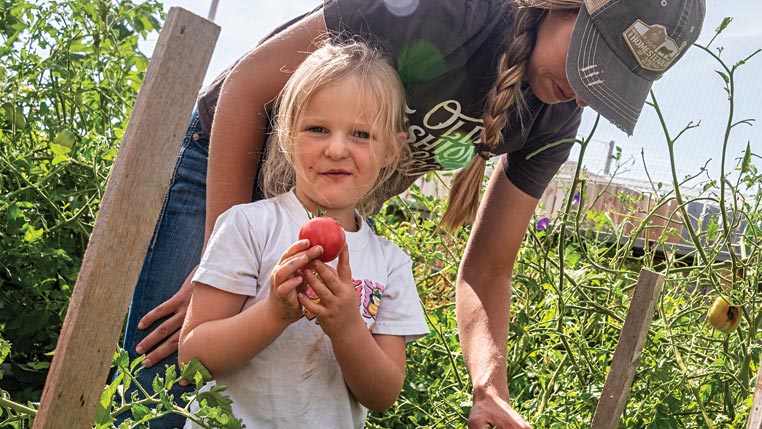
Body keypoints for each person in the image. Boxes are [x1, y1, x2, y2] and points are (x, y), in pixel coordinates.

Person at [121, 1, 705, 428]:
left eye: (607, 86)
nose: (581, 92)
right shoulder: (452, 11)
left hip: (330, 204)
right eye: (588, 60)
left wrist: (489, 388)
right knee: (164, 384)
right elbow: (247, 87)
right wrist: (216, 261)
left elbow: (488, 269)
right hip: (229, 155)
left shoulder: (553, 117)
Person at [178, 40, 429, 428]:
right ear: (286, 133)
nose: (337, 148)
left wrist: (347, 327)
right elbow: (192, 360)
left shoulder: (390, 263)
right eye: (317, 129)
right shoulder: (248, 227)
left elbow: (383, 394)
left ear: (392, 150)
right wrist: (273, 314)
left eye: (361, 134)